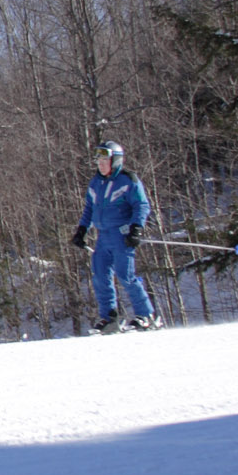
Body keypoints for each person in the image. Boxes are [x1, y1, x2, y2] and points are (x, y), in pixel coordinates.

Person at [70, 140, 157, 332]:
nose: (100, 164)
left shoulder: (127, 180)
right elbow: (90, 209)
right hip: (103, 236)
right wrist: (82, 230)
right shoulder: (96, 183)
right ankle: (109, 317)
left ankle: (146, 315)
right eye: (98, 161)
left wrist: (136, 228)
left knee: (126, 275)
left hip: (121, 235)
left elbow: (141, 205)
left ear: (116, 161)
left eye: (105, 160)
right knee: (100, 275)